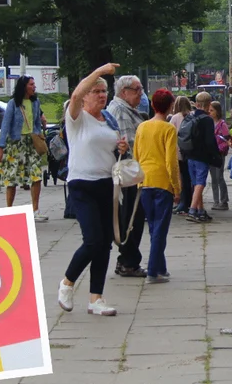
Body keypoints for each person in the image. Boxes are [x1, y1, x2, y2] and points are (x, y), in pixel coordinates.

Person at [57, 62, 127, 317]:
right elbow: (75, 95)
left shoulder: (107, 118)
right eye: (96, 90)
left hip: (107, 184)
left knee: (105, 244)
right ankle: (67, 283)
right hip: (82, 184)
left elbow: (112, 147)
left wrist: (121, 148)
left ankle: (95, 298)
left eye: (104, 91)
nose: (101, 94)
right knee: (93, 240)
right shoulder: (76, 117)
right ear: (85, 95)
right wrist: (99, 71)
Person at [134, 89, 181, 284]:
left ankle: (160, 267)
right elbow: (171, 161)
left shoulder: (142, 127)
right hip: (162, 182)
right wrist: (176, 187)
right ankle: (153, 271)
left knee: (154, 226)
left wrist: (138, 180)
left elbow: (135, 155)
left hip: (144, 180)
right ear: (171, 107)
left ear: (152, 105)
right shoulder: (169, 129)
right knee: (161, 228)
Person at [109, 75, 149, 278]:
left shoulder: (125, 109)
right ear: (124, 92)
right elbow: (130, 144)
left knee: (132, 217)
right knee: (132, 217)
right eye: (137, 89)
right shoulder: (121, 111)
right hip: (129, 174)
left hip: (128, 173)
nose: (141, 92)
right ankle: (128, 262)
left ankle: (126, 260)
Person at [0, 76, 49, 222]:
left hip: (31, 143)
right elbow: (5, 126)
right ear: (24, 86)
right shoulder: (13, 104)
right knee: (12, 179)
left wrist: (39, 134)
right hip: (15, 143)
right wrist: (0, 147)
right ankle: (9, 211)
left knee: (37, 175)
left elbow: (37, 121)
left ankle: (35, 210)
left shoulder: (35, 102)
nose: (34, 87)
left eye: (34, 84)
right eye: (31, 84)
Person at [183, 92, 224, 222]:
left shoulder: (189, 117)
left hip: (189, 154)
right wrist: (215, 155)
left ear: (196, 103)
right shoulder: (207, 120)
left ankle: (201, 211)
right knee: (200, 183)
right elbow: (209, 141)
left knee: (195, 183)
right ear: (208, 104)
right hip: (201, 156)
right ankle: (192, 210)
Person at [169, 96, 194, 215]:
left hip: (179, 152)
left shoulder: (175, 117)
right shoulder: (193, 115)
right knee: (189, 178)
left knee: (182, 179)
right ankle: (191, 202)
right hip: (191, 151)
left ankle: (182, 203)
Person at [208, 101, 231, 211]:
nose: (210, 112)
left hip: (219, 153)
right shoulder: (209, 123)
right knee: (213, 178)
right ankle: (216, 201)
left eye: (212, 110)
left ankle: (224, 200)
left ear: (217, 111)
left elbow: (226, 138)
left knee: (219, 177)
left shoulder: (222, 124)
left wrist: (222, 147)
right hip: (211, 153)